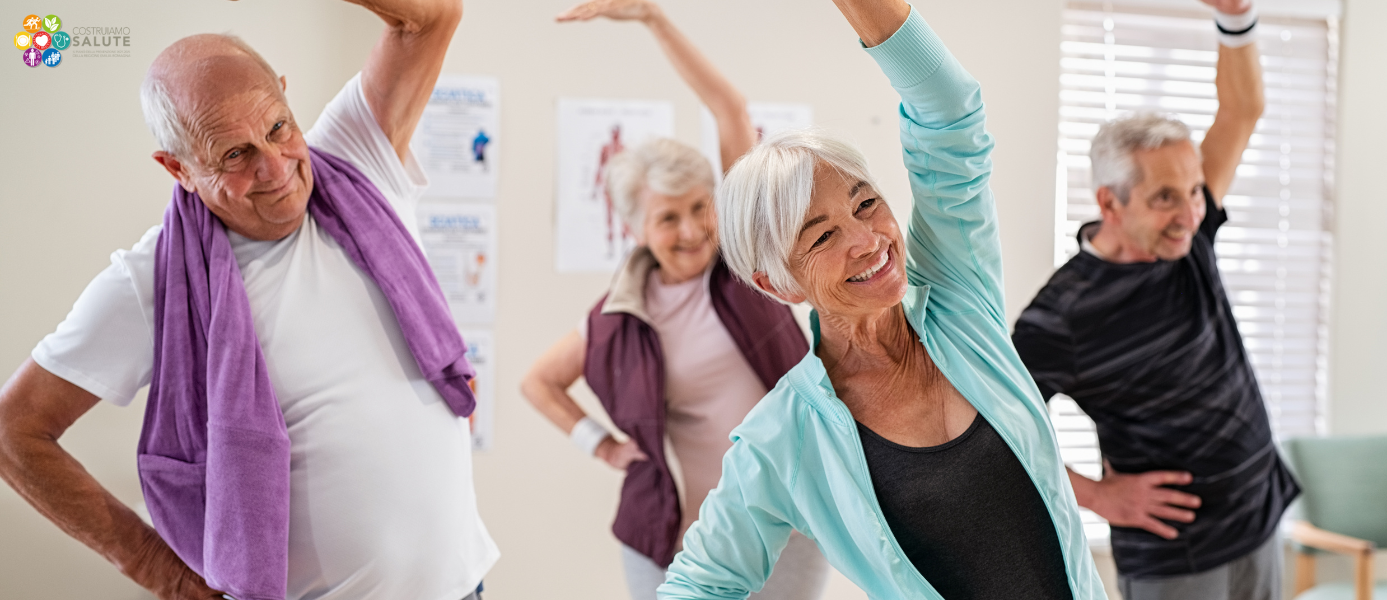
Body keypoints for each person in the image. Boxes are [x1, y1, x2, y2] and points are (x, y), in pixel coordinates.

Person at [0, 1, 500, 599]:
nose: (275, 169)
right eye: (234, 155)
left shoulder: (359, 158)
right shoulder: (154, 280)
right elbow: (14, 431)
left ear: (287, 99)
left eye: (278, 128)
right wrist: (160, 572)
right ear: (177, 168)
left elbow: (431, 16)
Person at [659, 0, 1107, 598]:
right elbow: (701, 583)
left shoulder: (956, 298)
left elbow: (950, 114)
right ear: (779, 284)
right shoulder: (783, 436)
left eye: (865, 202)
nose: (868, 240)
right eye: (821, 236)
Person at [521, 1, 829, 599]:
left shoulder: (744, 262)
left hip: (786, 518)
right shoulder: (620, 317)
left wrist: (652, 19)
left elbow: (728, 108)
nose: (690, 230)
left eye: (699, 207)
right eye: (669, 217)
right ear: (635, 224)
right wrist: (601, 444)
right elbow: (538, 383)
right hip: (675, 539)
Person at [1011, 2, 1299, 599]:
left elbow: (1242, 111)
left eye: (1195, 189)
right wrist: (1096, 496)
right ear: (1110, 204)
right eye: (1167, 197)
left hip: (1260, 517)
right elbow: (994, 437)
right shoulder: (1059, 316)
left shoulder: (1188, 238)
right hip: (1178, 557)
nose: (1192, 210)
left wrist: (1236, 18)